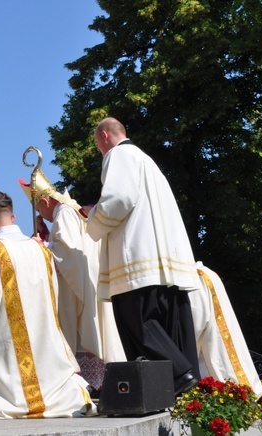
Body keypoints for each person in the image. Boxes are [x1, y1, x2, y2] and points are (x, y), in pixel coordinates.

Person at [0, 192, 96, 419]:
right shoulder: (42, 250)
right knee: (57, 384)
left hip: (5, 354)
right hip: (45, 351)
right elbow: (53, 294)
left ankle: (6, 399)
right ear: (13, 217)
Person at [86, 117, 201, 395]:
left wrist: (91, 221)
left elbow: (118, 200)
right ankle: (181, 389)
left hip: (136, 260)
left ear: (104, 135)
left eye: (97, 144)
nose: (99, 150)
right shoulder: (146, 160)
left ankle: (180, 374)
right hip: (163, 263)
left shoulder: (118, 154)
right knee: (168, 326)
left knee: (139, 324)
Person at [19, 171, 126, 395]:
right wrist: (47, 237)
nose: (41, 214)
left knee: (77, 334)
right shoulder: (68, 211)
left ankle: (89, 384)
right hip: (84, 280)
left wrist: (39, 246)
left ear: (46, 201)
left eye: (39, 208)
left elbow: (67, 251)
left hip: (75, 287)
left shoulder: (65, 213)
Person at [192, 262, 262, 403]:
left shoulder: (202, 275)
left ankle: (241, 391)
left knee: (217, 341)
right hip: (196, 276)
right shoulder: (205, 274)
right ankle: (244, 390)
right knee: (217, 340)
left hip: (192, 278)